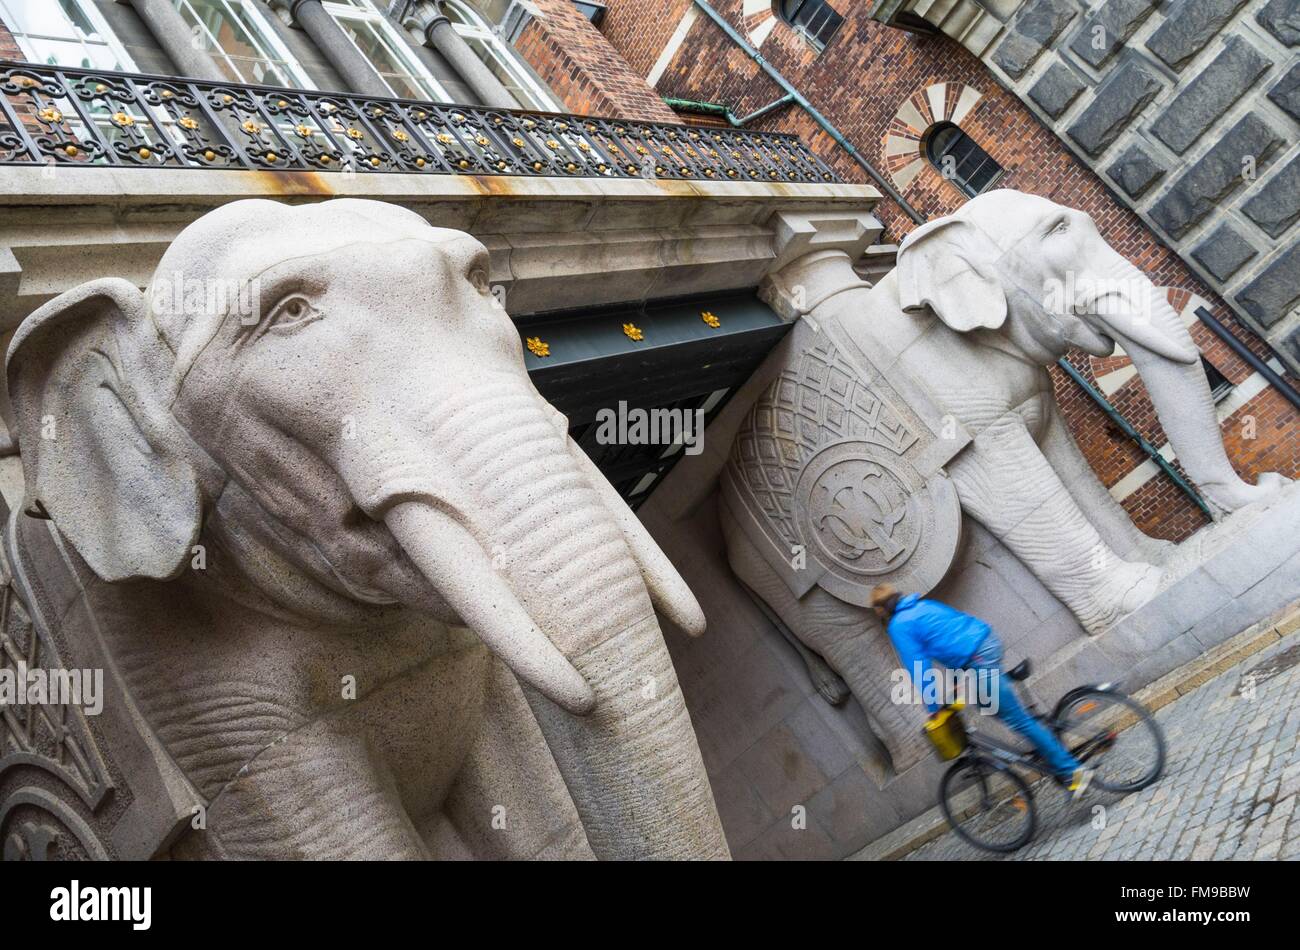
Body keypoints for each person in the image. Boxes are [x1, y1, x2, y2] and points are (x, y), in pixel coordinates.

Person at [870, 583, 1092, 796]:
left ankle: (1074, 773)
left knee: (1018, 720)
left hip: (978, 657)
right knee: (986, 704)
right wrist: (957, 679)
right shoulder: (920, 605)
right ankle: (1047, 746)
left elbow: (919, 668)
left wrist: (933, 707)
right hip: (986, 643)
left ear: (880, 609)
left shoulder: (899, 625)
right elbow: (952, 634)